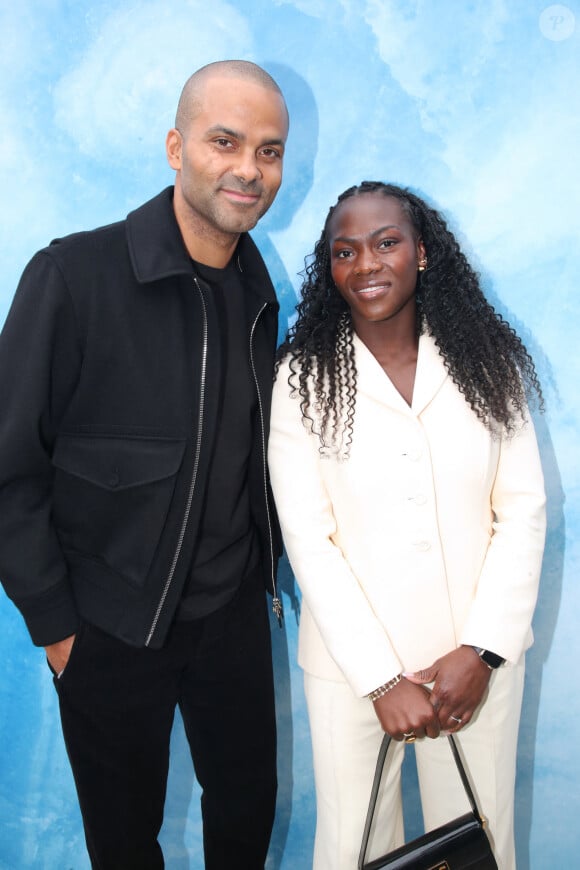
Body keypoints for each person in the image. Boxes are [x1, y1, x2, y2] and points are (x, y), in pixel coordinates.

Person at [0, 60, 289, 870]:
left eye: (269, 151)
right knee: (125, 846)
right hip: (109, 625)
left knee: (245, 819)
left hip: (230, 617)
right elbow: (9, 466)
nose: (247, 169)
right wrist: (57, 627)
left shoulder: (262, 292)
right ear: (176, 145)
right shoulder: (72, 275)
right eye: (225, 141)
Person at [268, 181, 546, 870]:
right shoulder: (302, 380)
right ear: (329, 270)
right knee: (352, 850)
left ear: (422, 253)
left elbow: (522, 513)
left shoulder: (487, 363)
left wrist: (481, 652)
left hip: (471, 668)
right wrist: (380, 679)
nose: (366, 264)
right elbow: (308, 541)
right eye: (345, 251)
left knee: (481, 844)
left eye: (386, 242)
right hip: (350, 670)